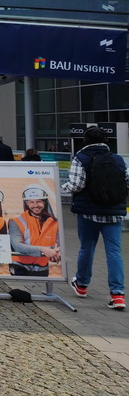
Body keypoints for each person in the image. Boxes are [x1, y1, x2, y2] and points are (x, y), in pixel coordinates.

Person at [66, 125, 127, 310]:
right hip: (114, 213)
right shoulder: (117, 159)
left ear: (85, 141)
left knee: (87, 248)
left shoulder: (81, 158)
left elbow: (76, 185)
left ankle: (82, 285)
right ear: (105, 141)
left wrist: (64, 186)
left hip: (88, 213)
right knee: (114, 252)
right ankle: (117, 296)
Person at [7, 185, 61, 278]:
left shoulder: (54, 223)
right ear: (27, 203)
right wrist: (43, 249)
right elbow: (17, 246)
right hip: (20, 267)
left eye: (39, 201)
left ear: (44, 202)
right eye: (31, 202)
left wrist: (58, 252)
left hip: (42, 268)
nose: (35, 205)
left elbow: (60, 244)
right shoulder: (16, 221)